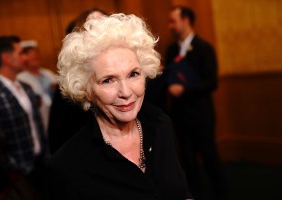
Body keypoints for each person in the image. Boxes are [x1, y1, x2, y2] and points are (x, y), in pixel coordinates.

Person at [48, 14, 192, 200]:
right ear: (86, 90)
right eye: (108, 80)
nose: (125, 92)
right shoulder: (67, 165)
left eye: (133, 74)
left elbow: (180, 191)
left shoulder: (161, 125)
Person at [166, 6, 228, 200]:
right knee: (187, 159)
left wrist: (184, 90)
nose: (170, 26)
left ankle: (221, 194)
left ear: (186, 20)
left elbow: (211, 83)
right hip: (179, 114)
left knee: (209, 156)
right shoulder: (171, 50)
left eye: (173, 21)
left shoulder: (204, 48)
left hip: (201, 113)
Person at [0, 36, 49, 193]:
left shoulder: (25, 87)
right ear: (6, 58)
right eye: (20, 53)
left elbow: (36, 124)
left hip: (40, 161)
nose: (25, 57)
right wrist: (9, 167)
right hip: (15, 172)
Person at [48, 8, 107, 153]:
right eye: (92, 26)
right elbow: (58, 134)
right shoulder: (69, 81)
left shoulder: (130, 72)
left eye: (105, 24)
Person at [17, 41, 57, 132]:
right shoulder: (21, 78)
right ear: (25, 58)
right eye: (32, 57)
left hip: (54, 115)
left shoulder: (48, 73)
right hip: (38, 119)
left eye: (36, 55)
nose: (36, 58)